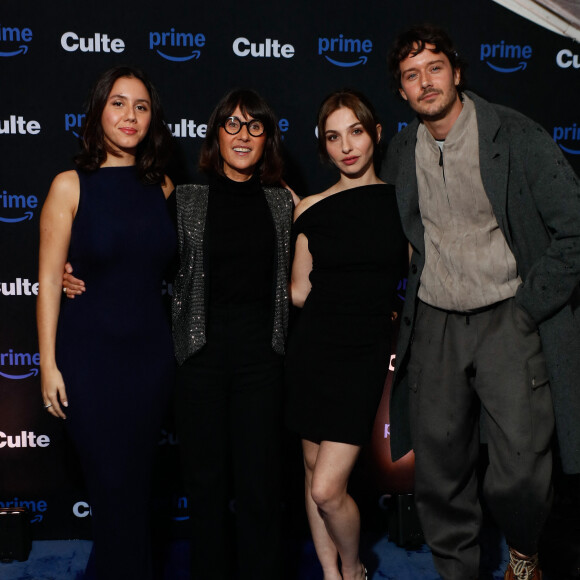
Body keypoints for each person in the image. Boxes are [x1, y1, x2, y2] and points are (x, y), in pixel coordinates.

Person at [384, 23, 580, 580]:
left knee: (520, 468)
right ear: (401, 92)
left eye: (434, 68)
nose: (425, 83)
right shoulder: (402, 151)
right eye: (411, 76)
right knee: (441, 473)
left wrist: (528, 307)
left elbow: (574, 227)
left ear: (457, 72)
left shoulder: (514, 136)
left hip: (507, 316)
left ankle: (523, 553)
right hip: (437, 325)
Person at [37, 65, 176, 580]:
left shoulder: (162, 186)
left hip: (151, 362)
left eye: (141, 106)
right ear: (98, 111)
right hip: (89, 360)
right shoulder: (69, 186)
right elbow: (50, 280)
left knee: (134, 494)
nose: (129, 115)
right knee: (111, 487)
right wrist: (48, 364)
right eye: (118, 103)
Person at [171, 89, 296, 580]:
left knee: (260, 489)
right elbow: (137, 254)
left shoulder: (283, 205)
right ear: (215, 134)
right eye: (232, 125)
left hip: (262, 361)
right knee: (205, 489)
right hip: (200, 358)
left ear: (267, 139)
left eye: (255, 126)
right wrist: (75, 273)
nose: (243, 136)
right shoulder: (186, 199)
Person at [285, 89, 408, 580]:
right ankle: (330, 575)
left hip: (363, 355)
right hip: (312, 351)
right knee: (312, 474)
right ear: (325, 147)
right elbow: (298, 290)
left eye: (355, 131)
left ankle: (354, 569)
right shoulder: (310, 207)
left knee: (326, 489)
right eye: (334, 137)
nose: (347, 146)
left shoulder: (402, 202)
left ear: (375, 133)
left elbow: (421, 277)